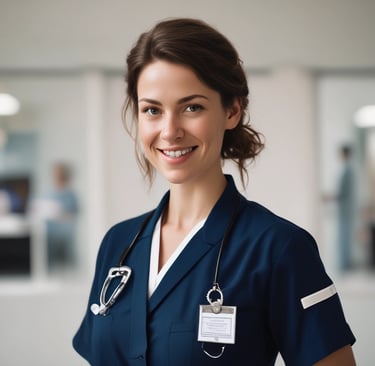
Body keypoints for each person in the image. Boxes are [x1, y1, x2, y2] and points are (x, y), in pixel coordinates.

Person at [73, 18, 356, 365]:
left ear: (232, 110)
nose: (169, 131)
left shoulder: (279, 248)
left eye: (192, 107)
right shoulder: (119, 245)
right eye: (152, 110)